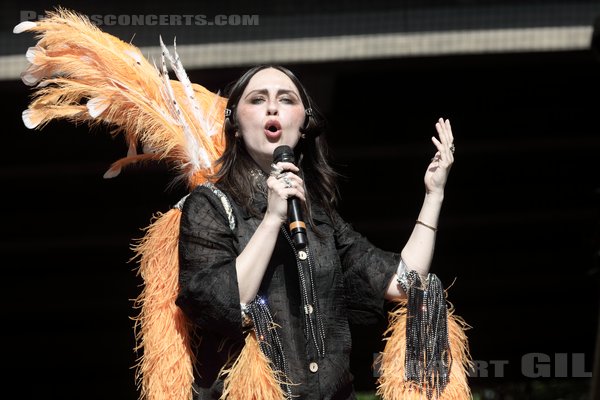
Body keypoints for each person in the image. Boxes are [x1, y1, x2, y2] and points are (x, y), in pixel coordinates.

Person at [175, 64, 456, 400]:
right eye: (258, 99)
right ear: (234, 124)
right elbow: (227, 302)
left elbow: (403, 281)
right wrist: (271, 218)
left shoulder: (318, 214)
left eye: (286, 99)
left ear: (304, 123)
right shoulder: (209, 205)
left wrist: (433, 194)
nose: (273, 107)